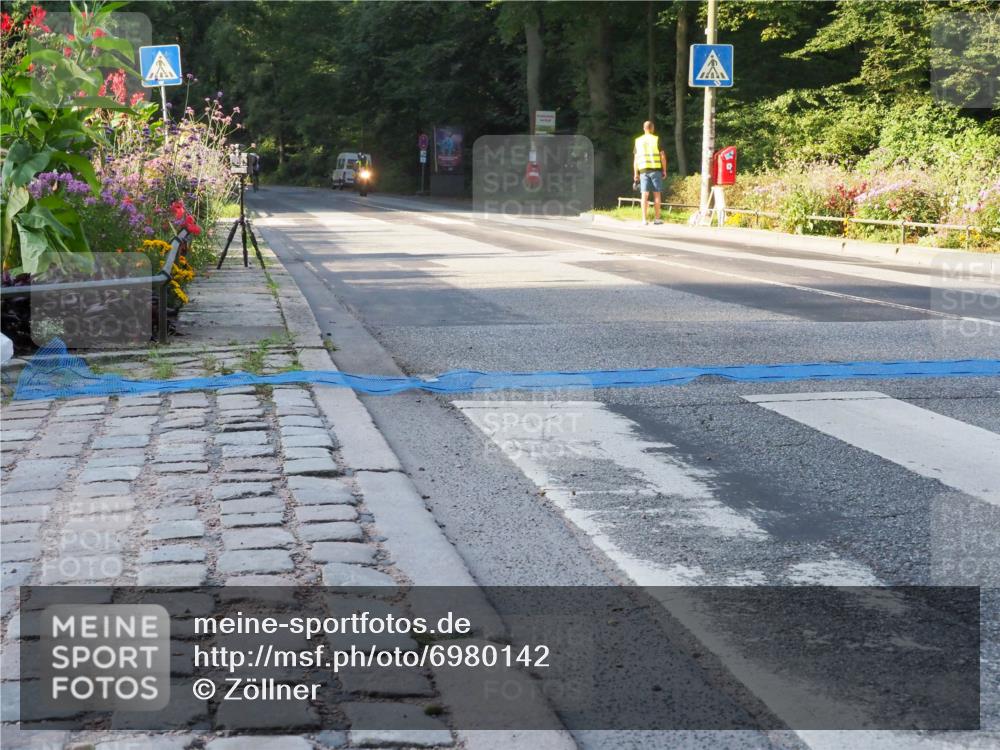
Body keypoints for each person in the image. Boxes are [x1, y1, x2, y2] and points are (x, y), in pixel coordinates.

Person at [633, 121, 668, 225]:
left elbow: (635, 159)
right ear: (652, 128)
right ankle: (657, 219)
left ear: (644, 128)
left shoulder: (638, 141)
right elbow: (662, 156)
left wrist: (636, 173)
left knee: (644, 194)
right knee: (657, 194)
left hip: (643, 170)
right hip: (656, 170)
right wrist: (664, 170)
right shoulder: (656, 139)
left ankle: (644, 219)